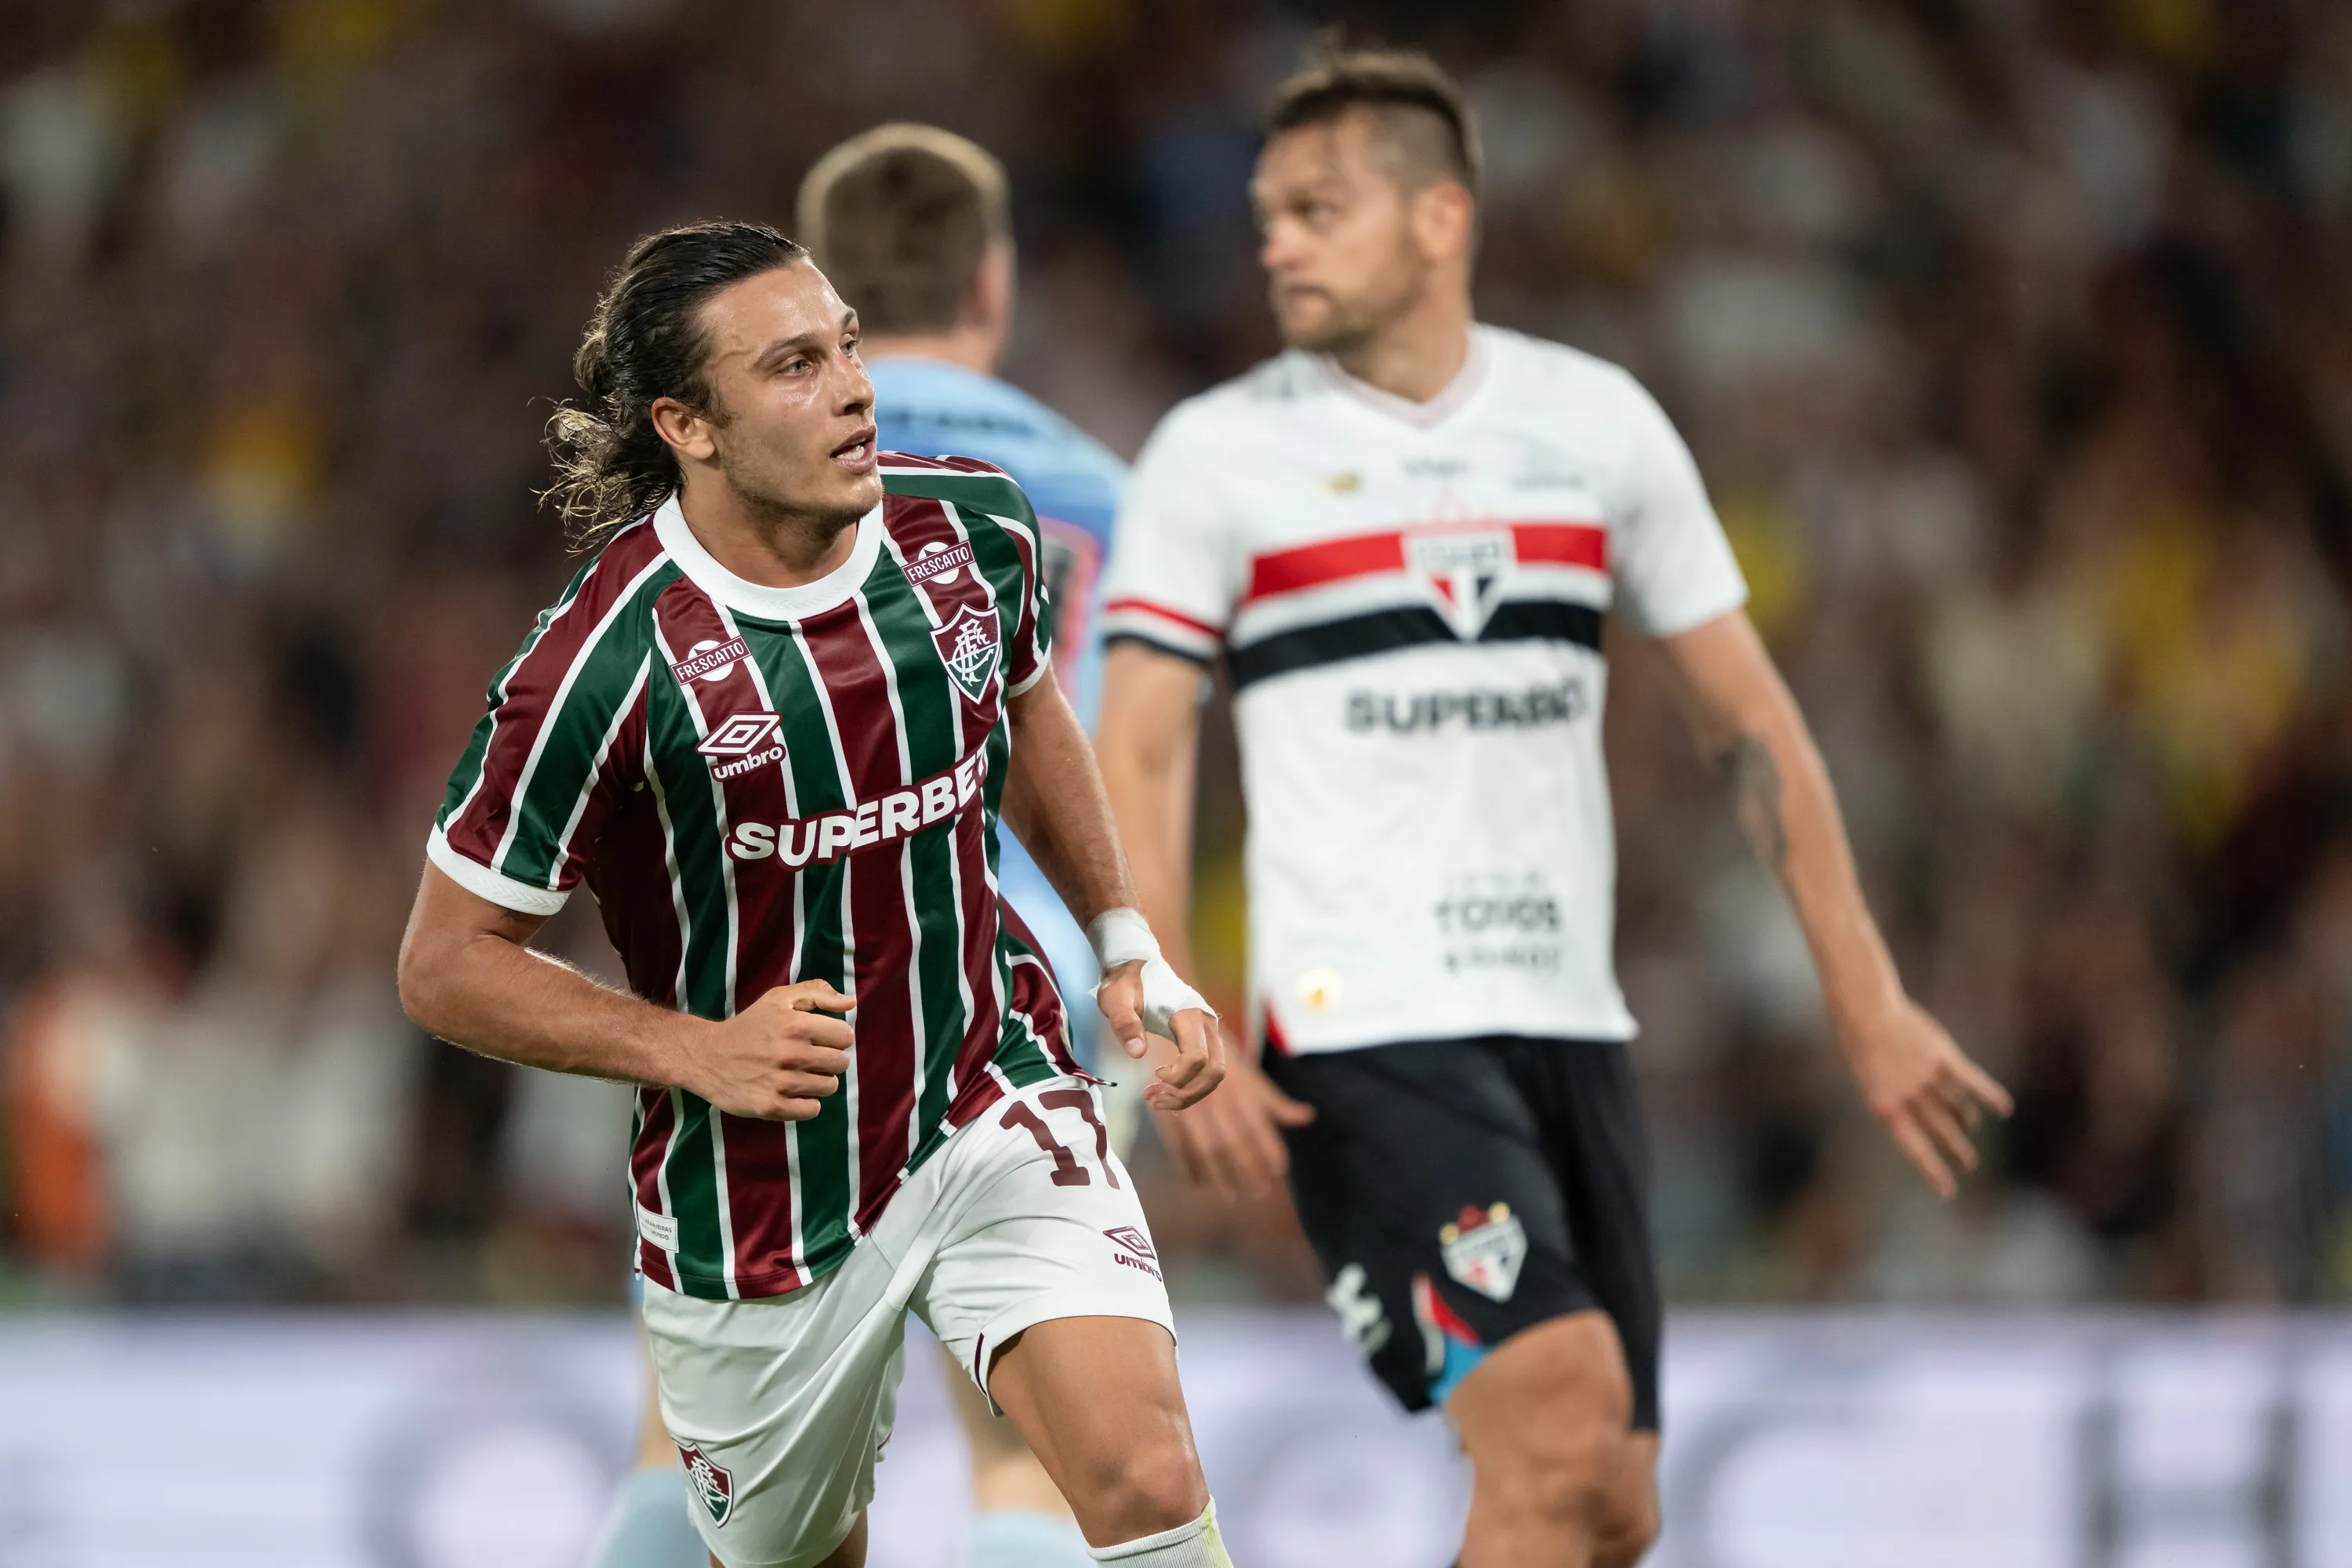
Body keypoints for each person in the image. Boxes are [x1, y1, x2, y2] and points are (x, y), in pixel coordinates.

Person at [1093, 47, 2013, 1568]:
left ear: (1441, 217)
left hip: (1571, 1022)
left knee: (1611, 1508)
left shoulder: (1597, 426)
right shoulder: (1220, 452)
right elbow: (1139, 746)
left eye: (1319, 208)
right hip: (1362, 1018)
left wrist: (1869, 996)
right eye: (1267, 214)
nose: (1276, 242)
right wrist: (1176, 1008)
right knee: (1566, 1424)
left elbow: (1752, 723)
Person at [397, 220, 1237, 1568]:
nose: (853, 386)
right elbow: (444, 964)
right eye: (794, 366)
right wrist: (692, 1048)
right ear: (690, 424)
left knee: (1145, 1472)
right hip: (759, 1189)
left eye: (845, 344)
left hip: (987, 1084)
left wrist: (1124, 939)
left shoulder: (969, 526)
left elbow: (1025, 707)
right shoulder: (599, 669)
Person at [589, 126, 1135, 1568]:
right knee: (1027, 1457)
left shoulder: (746, 473)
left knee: (708, 1452)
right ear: (994, 281)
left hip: (780, 992)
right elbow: (1125, 756)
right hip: (1021, 999)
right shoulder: (1095, 490)